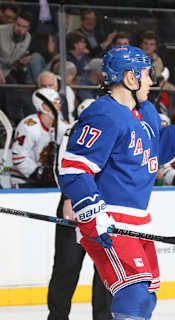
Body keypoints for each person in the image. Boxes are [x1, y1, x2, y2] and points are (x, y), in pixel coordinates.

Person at [57, 45, 175, 319]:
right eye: (146, 73)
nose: (151, 81)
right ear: (130, 78)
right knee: (134, 293)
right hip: (108, 218)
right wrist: (92, 212)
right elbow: (74, 167)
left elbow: (155, 150)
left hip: (138, 220)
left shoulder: (147, 113)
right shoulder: (103, 114)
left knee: (145, 297)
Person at [47, 98, 113, 320]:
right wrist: (68, 196)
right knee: (67, 265)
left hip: (103, 207)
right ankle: (57, 316)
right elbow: (63, 165)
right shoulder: (73, 131)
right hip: (74, 205)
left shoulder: (113, 129)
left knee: (105, 270)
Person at [11, 87, 69, 188]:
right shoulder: (28, 126)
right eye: (55, 102)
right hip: (24, 180)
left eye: (59, 101)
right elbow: (18, 156)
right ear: (44, 106)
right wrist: (38, 172)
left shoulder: (64, 127)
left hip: (50, 180)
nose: (59, 105)